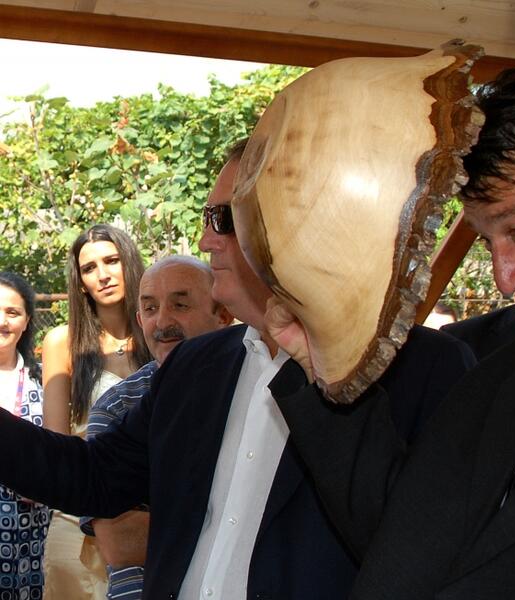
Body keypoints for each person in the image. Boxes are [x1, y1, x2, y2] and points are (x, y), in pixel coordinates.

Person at [0, 140, 474, 599]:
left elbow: (423, 549)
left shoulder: (423, 368)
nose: (206, 240)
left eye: (223, 219)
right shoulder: (196, 365)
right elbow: (96, 476)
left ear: (298, 222)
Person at [265, 53, 515, 599]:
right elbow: (406, 551)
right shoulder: (499, 381)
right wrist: (321, 357)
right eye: (488, 240)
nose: (505, 278)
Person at [81, 255, 232, 599]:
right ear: (139, 320)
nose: (163, 321)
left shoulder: (253, 390)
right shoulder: (118, 406)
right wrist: (238, 521)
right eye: (150, 309)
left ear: (223, 315)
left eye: (181, 305)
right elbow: (120, 541)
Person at [41, 224, 151, 600]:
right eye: (89, 268)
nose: (102, 275)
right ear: (81, 283)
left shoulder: (160, 333)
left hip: (151, 513)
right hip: (79, 513)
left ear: (129, 263)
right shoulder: (63, 341)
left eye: (111, 260)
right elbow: (55, 441)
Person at [0, 272, 50, 599]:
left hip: (29, 535)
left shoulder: (45, 381)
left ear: (27, 321)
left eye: (12, 312)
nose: (2, 322)